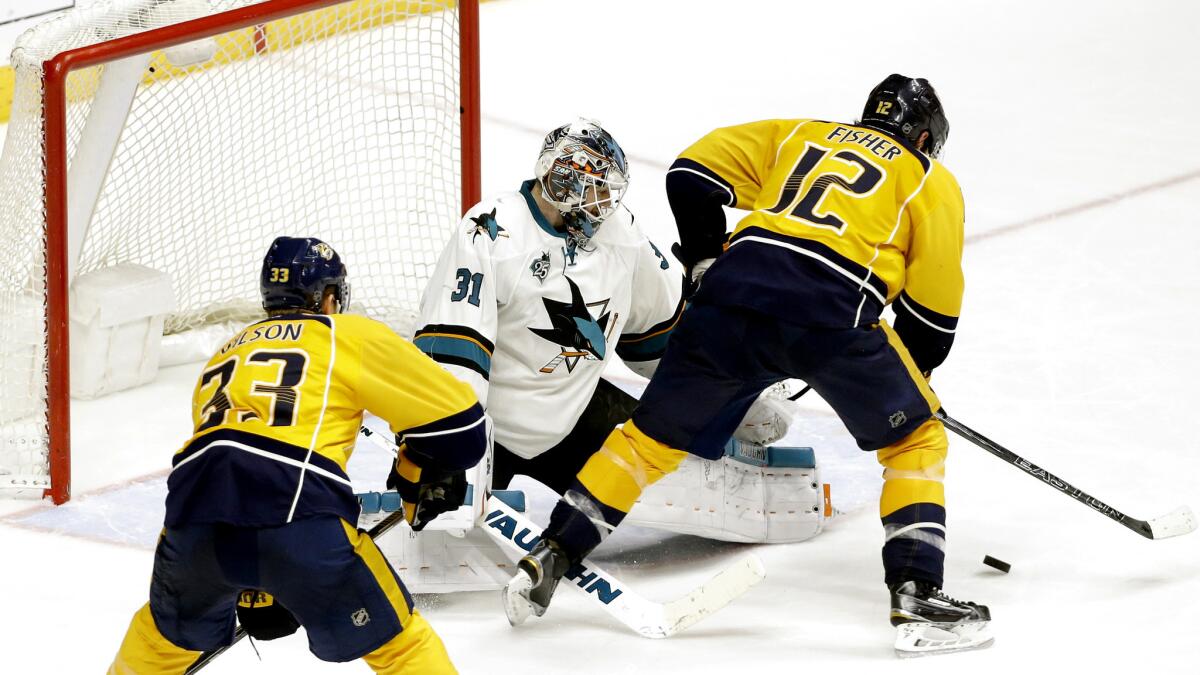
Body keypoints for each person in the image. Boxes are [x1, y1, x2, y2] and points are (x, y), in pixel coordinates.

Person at [507, 75, 991, 652]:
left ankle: (553, 551)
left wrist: (708, 258)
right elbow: (931, 319)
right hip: (831, 312)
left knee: (644, 443)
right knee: (916, 442)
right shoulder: (930, 179)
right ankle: (916, 594)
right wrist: (907, 390)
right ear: (924, 137)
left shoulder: (802, 134)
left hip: (729, 300)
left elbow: (690, 174)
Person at [411, 119, 805, 542]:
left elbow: (665, 337)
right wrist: (443, 440)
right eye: (596, 188)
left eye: (610, 191)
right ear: (564, 179)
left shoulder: (622, 235)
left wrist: (740, 390)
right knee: (439, 517)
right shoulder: (491, 231)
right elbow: (455, 347)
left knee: (670, 457)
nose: (605, 204)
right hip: (490, 426)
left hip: (574, 410)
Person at [109, 237, 487, 674]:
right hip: (297, 509)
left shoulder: (225, 354)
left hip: (191, 522)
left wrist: (257, 586)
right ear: (328, 297)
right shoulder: (343, 335)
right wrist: (419, 468)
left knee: (158, 646)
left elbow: (234, 472)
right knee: (400, 649)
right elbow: (462, 429)